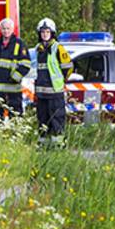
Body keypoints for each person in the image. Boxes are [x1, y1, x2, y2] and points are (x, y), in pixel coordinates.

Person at [33, 18, 73, 147]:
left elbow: (68, 67)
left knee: (57, 119)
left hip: (55, 92)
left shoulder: (58, 48)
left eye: (47, 31)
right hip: (41, 93)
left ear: (52, 33)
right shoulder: (38, 50)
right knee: (43, 120)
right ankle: (43, 146)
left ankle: (59, 146)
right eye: (42, 32)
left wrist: (61, 81)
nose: (45, 34)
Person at [0, 18, 31, 117]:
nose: (6, 31)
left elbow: (26, 64)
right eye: (4, 28)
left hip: (13, 89)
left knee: (15, 116)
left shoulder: (20, 45)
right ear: (0, 29)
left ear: (12, 29)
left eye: (8, 29)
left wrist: (14, 78)